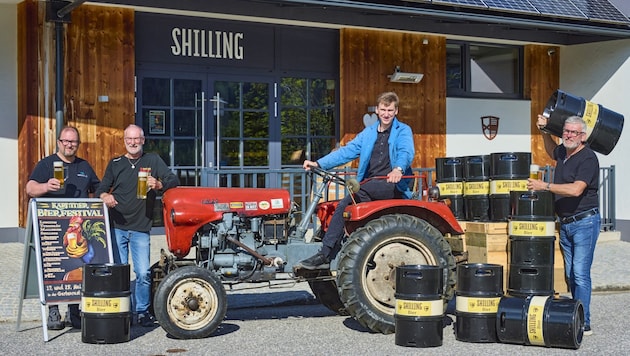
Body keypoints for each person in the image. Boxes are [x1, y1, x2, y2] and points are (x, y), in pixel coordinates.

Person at [295, 92, 415, 270]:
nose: (386, 114)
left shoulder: (403, 131)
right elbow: (347, 151)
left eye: (390, 110)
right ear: (377, 110)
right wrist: (319, 163)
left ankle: (325, 253)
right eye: (383, 109)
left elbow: (405, 151)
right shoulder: (369, 133)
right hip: (371, 183)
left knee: (351, 198)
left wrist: (398, 169)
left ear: (396, 111)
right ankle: (337, 246)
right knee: (342, 205)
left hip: (391, 183)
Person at [96, 124, 179, 327]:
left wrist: (159, 185)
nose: (133, 142)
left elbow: (173, 179)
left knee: (142, 273)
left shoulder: (152, 160)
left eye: (137, 139)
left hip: (141, 226)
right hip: (118, 225)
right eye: (129, 139)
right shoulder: (115, 163)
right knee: (120, 271)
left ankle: (142, 311)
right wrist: (105, 196)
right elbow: (101, 187)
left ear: (143, 140)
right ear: (124, 141)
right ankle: (123, 310)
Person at [527, 114, 600, 336]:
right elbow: (551, 150)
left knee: (579, 273)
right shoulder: (564, 153)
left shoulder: (588, 158)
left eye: (574, 132)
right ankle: (575, 313)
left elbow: (576, 189)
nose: (568, 135)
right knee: (570, 273)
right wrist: (543, 130)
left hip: (584, 221)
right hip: (566, 223)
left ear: (583, 136)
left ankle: (584, 322)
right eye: (566, 131)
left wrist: (545, 186)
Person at [26, 126, 101, 330]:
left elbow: (98, 187)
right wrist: (45, 187)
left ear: (78, 144)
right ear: (59, 142)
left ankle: (75, 311)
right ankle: (53, 312)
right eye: (66, 141)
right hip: (52, 227)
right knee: (55, 269)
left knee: (77, 270)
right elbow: (29, 188)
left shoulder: (84, 166)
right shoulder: (47, 164)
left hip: (77, 230)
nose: (69, 145)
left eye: (73, 142)